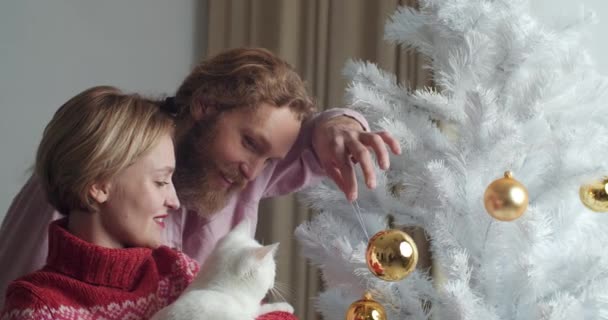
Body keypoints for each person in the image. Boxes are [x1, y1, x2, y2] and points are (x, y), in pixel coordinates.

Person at [0, 48, 402, 304]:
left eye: (269, 159)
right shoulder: (87, 174)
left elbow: (318, 140)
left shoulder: (240, 176)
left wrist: (341, 122)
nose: (255, 173)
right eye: (249, 143)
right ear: (204, 107)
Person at [1, 86, 198, 319]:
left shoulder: (178, 273)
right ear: (98, 185)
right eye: (160, 181)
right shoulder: (38, 308)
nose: (174, 202)